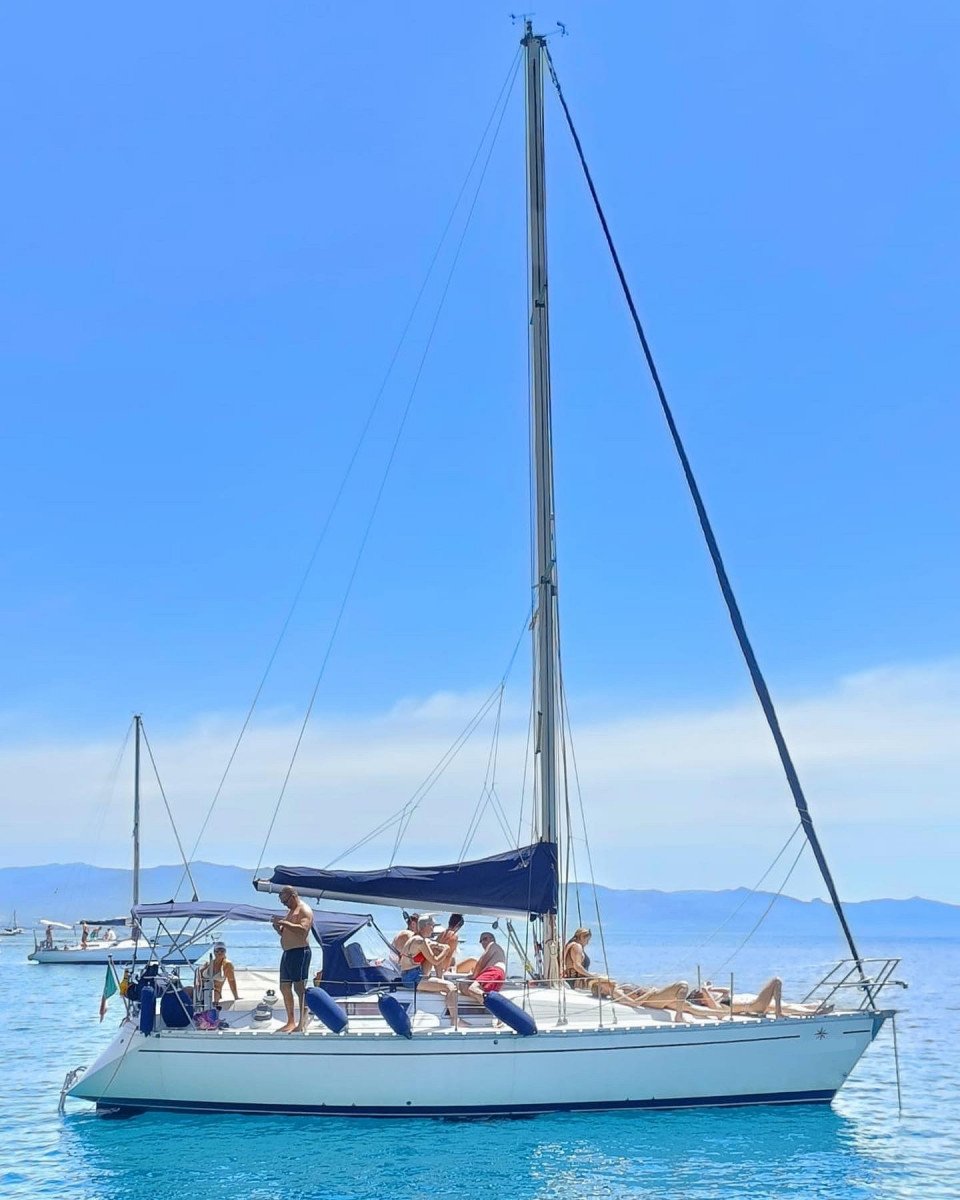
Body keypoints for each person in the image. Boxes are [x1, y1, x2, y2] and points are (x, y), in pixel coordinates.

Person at [401, 916, 459, 1026]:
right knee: (451, 987)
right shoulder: (419, 942)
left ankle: (439, 979)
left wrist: (440, 946)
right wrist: (446, 950)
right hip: (413, 979)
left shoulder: (416, 938)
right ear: (426, 926)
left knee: (436, 950)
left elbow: (432, 945)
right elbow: (435, 961)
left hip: (411, 975)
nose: (433, 929)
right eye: (431, 926)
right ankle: (455, 1021)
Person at [272, 886, 314, 1033]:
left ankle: (303, 1021)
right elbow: (287, 932)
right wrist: (278, 927)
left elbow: (302, 930)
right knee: (284, 986)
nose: (284, 904)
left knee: (299, 988)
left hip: (300, 952)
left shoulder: (304, 910)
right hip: (288, 953)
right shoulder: (290, 911)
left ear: (293, 896)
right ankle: (290, 1021)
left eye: (285, 901)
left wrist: (283, 923)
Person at [458, 932, 507, 1004]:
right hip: (496, 974)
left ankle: (493, 1004)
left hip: (494, 971)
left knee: (472, 989)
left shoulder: (492, 945)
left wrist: (474, 976)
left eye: (485, 939)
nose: (483, 942)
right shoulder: (498, 951)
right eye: (481, 941)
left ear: (492, 939)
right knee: (463, 985)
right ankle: (484, 1002)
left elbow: (481, 961)